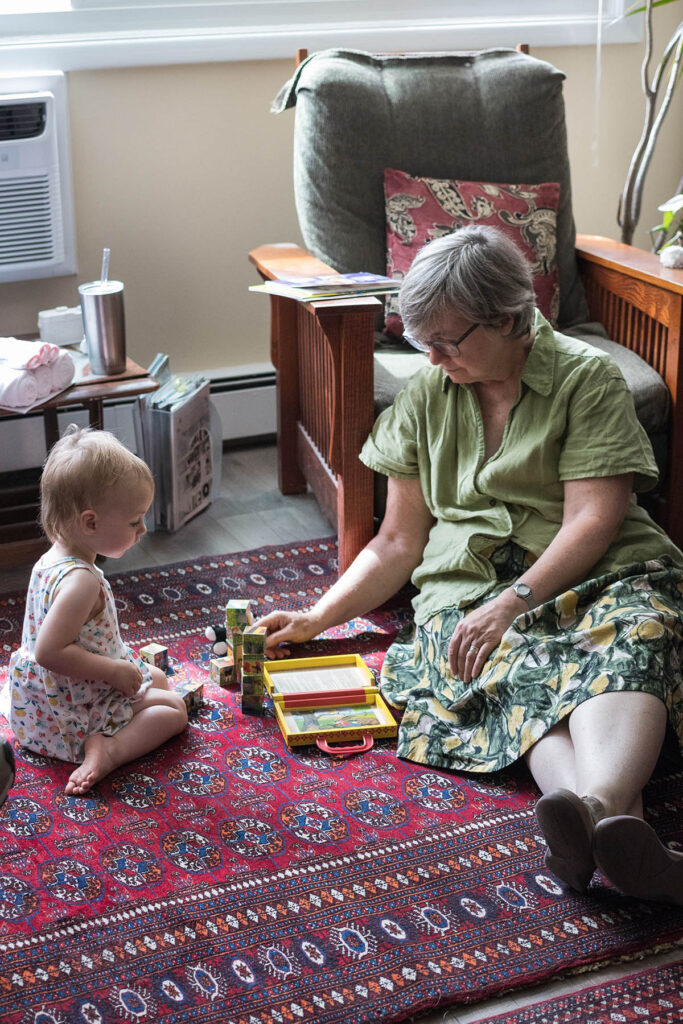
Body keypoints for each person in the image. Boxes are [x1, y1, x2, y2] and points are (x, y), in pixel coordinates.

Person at [256, 225, 683, 906]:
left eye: (447, 341)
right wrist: (315, 617)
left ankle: (596, 806)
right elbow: (397, 541)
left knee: (636, 635)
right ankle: (619, 829)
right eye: (421, 339)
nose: (431, 356)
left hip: (598, 567)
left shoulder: (585, 378)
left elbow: (593, 521)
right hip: (468, 586)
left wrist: (513, 602)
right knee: (501, 667)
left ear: (509, 319)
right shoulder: (425, 396)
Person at [7, 426, 188, 796]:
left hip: (46, 699)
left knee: (158, 678)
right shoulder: (81, 581)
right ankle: (108, 750)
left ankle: (117, 721)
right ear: (90, 522)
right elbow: (49, 651)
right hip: (67, 710)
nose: (143, 529)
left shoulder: (52, 558)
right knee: (173, 710)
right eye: (134, 521)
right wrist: (114, 670)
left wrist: (121, 668)